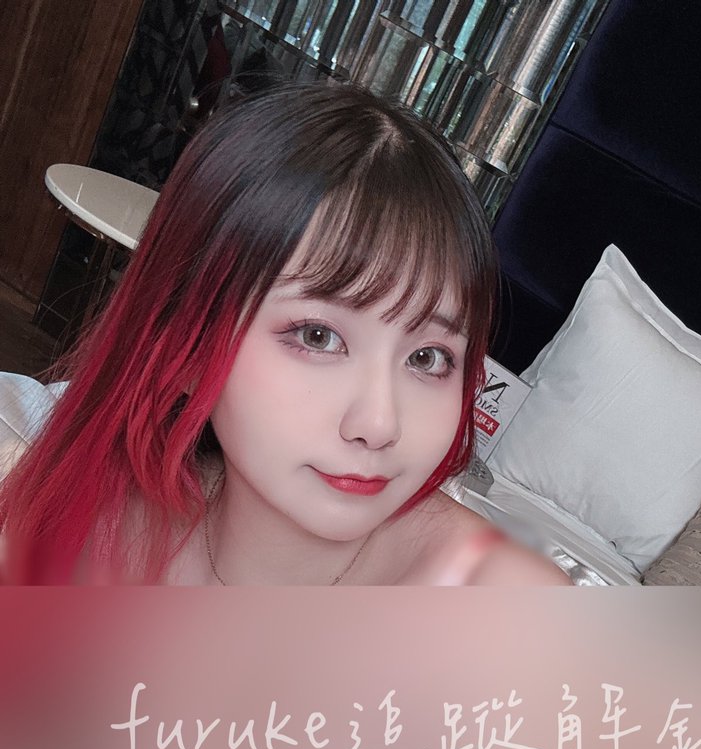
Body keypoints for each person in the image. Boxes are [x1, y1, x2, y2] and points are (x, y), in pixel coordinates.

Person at [0, 83, 569, 586]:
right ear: (188, 341)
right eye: (318, 337)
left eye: (427, 358)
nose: (378, 425)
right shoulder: (82, 526)